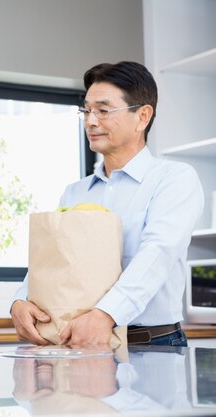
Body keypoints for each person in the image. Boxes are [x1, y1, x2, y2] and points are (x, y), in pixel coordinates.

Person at [10, 61, 204, 347]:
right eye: (86, 110)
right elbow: (51, 259)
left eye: (103, 110)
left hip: (151, 343)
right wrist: (21, 300)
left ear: (142, 117)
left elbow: (157, 255)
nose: (90, 121)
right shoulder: (74, 193)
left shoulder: (174, 180)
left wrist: (105, 315)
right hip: (77, 343)